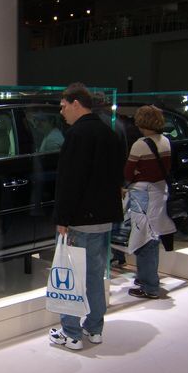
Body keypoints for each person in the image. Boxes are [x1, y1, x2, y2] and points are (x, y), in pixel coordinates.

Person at [49, 82, 125, 351]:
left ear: (76, 103)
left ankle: (71, 333)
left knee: (71, 275)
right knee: (94, 274)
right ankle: (94, 329)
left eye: (63, 106)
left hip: (80, 219)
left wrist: (63, 218)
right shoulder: (109, 133)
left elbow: (70, 181)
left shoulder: (77, 135)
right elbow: (116, 177)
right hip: (104, 218)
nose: (61, 112)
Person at [124, 105, 176, 299]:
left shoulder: (140, 145)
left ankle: (149, 285)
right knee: (151, 235)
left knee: (144, 238)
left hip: (142, 193)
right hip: (159, 191)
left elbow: (128, 172)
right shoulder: (166, 141)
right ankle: (146, 278)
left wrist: (138, 173)